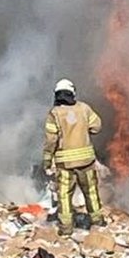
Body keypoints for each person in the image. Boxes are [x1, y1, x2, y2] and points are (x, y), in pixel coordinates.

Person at [42, 78, 105, 236]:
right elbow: (96, 127)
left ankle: (66, 229)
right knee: (91, 192)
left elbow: (51, 140)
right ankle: (98, 223)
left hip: (65, 165)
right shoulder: (84, 108)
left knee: (64, 196)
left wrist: (47, 161)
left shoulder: (55, 114)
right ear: (73, 93)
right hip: (86, 162)